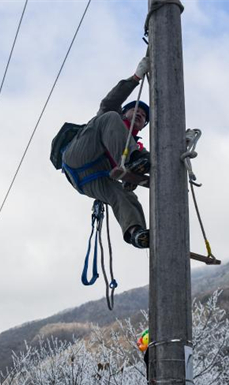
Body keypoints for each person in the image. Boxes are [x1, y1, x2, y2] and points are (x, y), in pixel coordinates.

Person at [60, 57, 152, 248]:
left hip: (92, 180)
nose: (139, 115)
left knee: (124, 196)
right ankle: (131, 162)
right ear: (124, 112)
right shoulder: (111, 116)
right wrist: (135, 78)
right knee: (109, 118)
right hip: (78, 156)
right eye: (134, 111)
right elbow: (111, 100)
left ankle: (136, 233)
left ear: (143, 126)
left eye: (143, 117)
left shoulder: (138, 149)